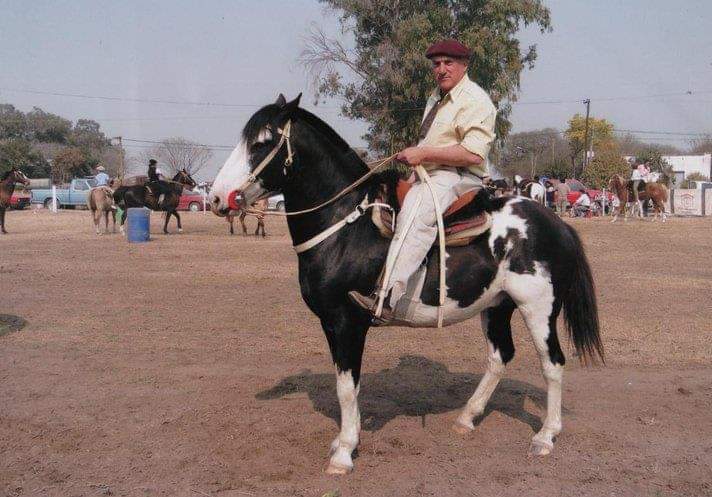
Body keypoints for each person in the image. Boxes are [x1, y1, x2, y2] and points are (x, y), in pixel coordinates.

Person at [349, 39, 497, 322]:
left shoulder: (476, 101)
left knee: (415, 213)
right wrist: (415, 164)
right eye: (436, 64)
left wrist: (423, 153)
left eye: (448, 63)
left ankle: (386, 298)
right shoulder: (436, 96)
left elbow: (474, 154)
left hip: (458, 177)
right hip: (430, 173)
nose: (441, 69)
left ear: (465, 66)